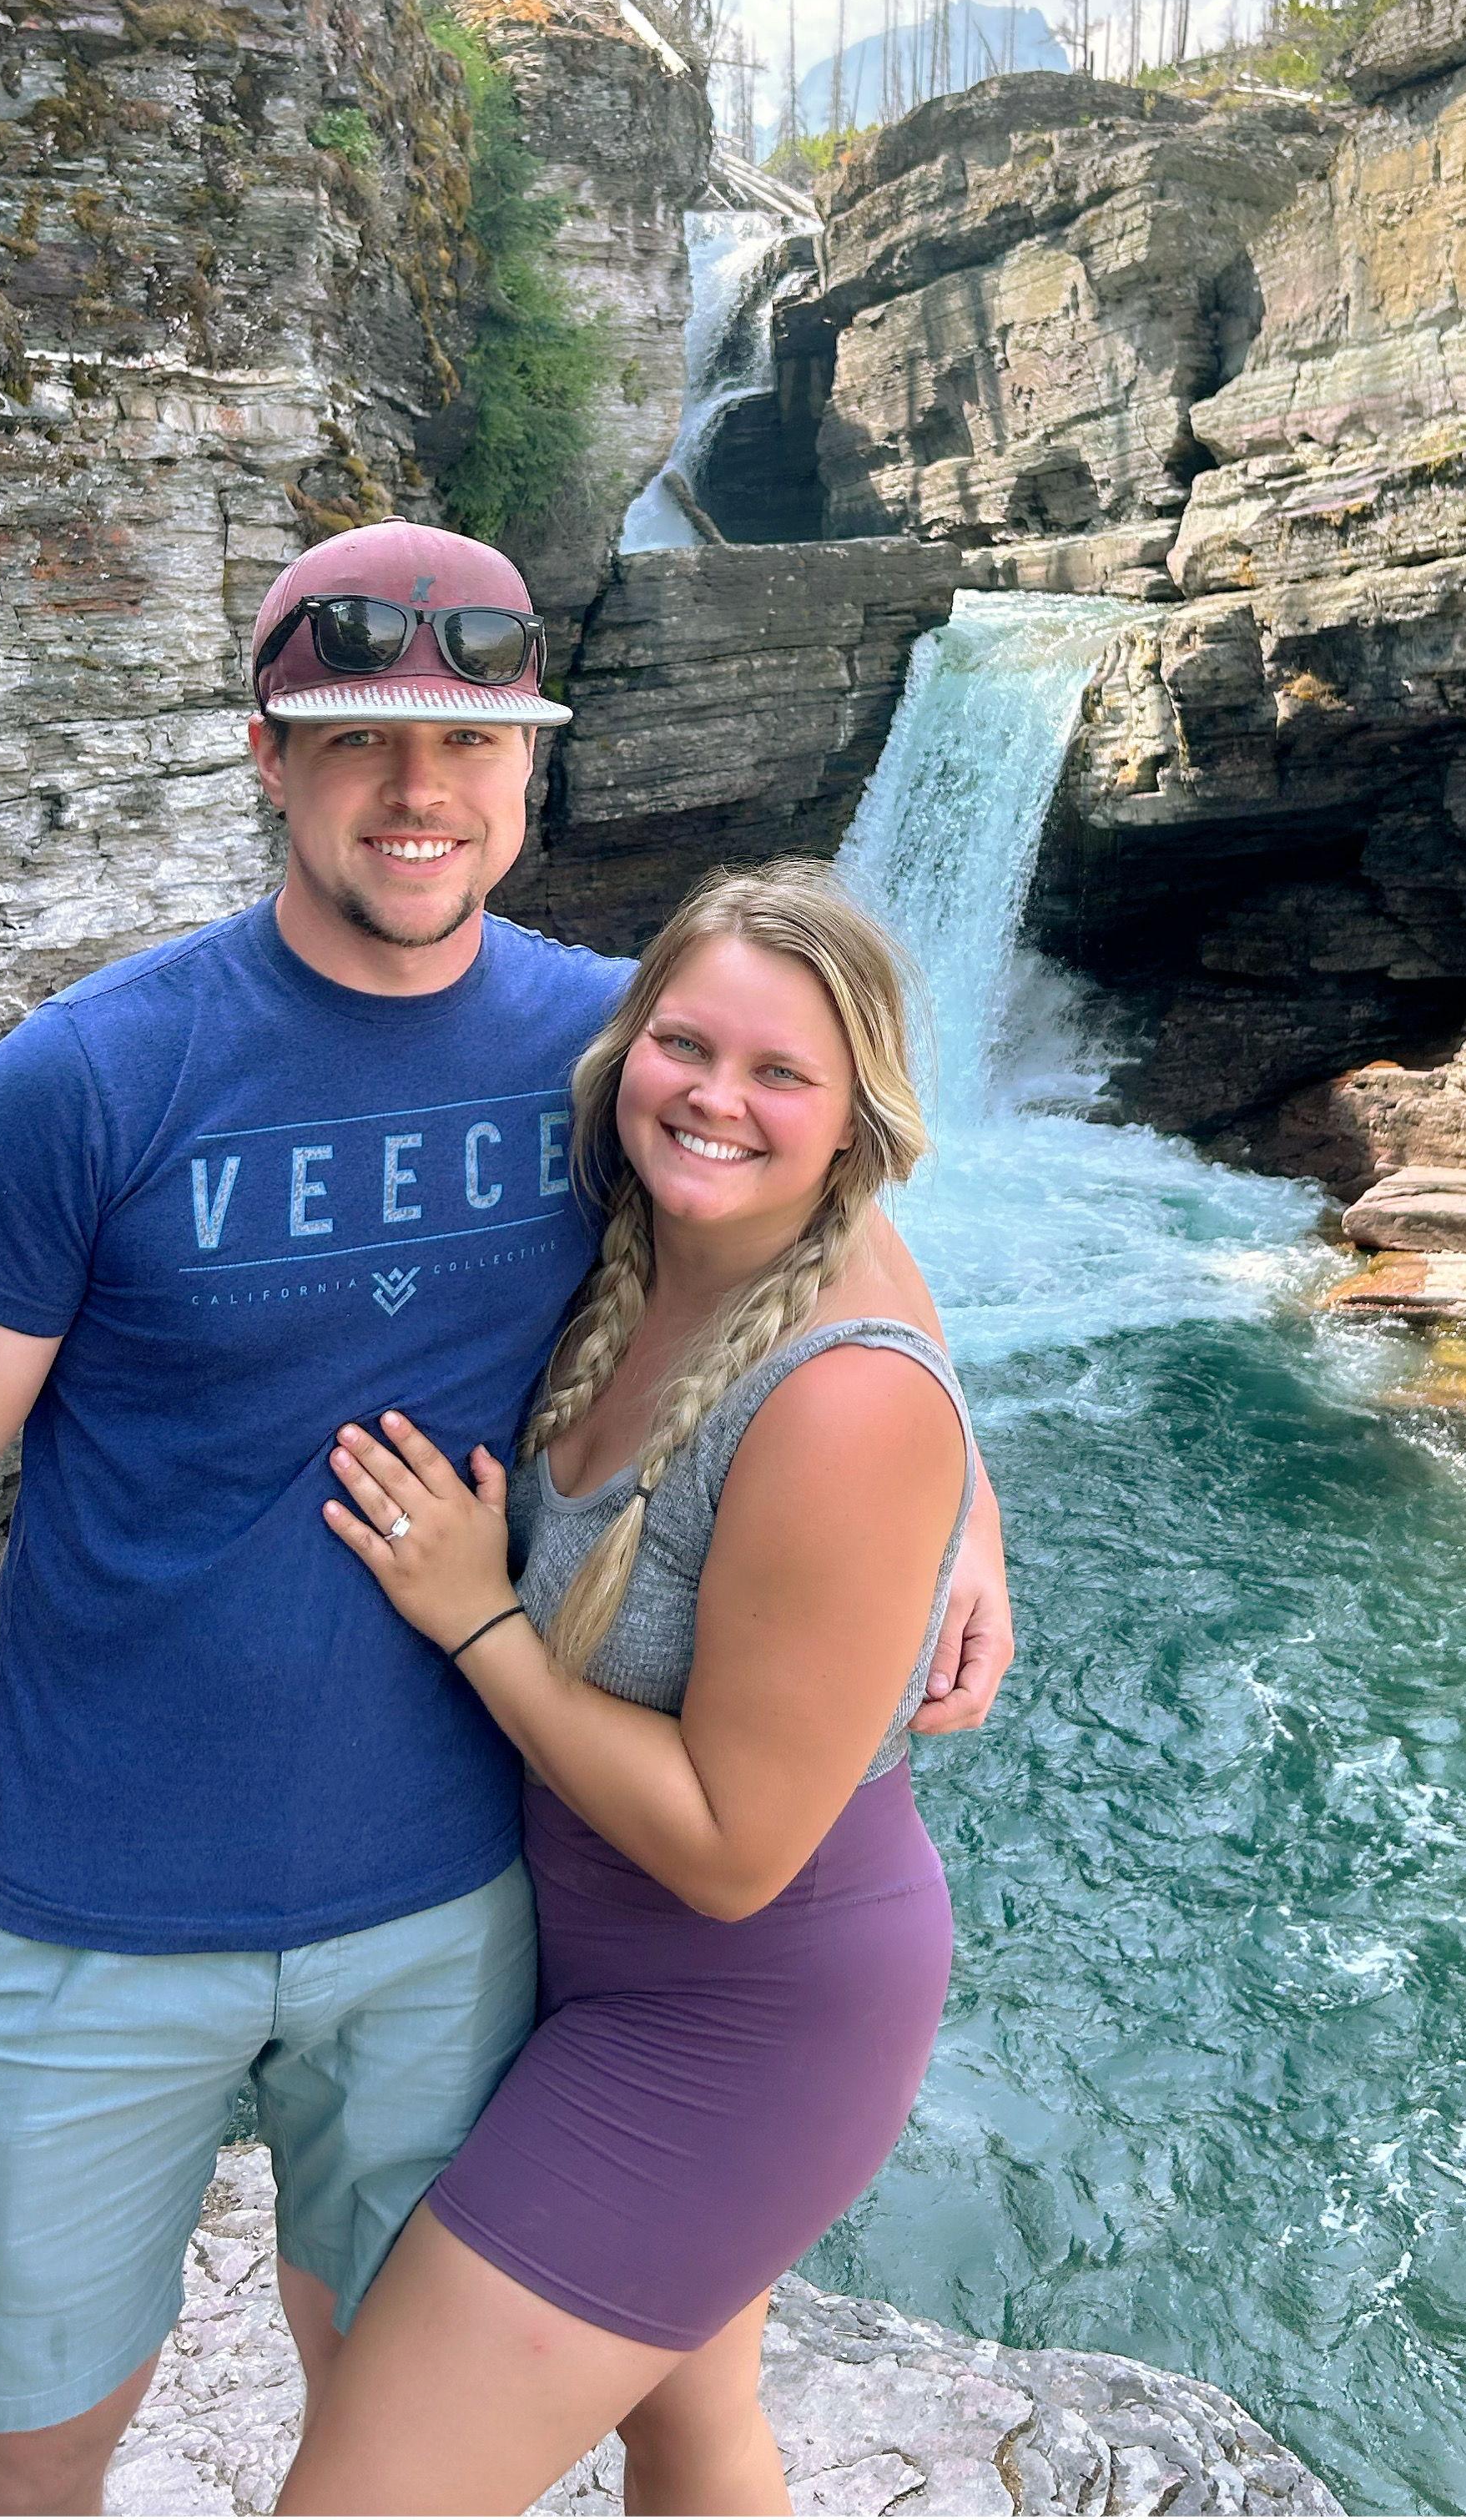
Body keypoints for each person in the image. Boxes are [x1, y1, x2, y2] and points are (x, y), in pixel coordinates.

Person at [0, 526, 1014, 2520]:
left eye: (469, 746)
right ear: (269, 756)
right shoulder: (86, 1082)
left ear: (534, 773)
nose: (418, 795)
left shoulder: (615, 1047)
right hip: (95, 1902)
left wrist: (969, 1524)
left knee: (377, 2400)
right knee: (31, 2439)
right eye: (358, 740)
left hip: (451, 1905)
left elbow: (840, 1224)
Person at [277, 864, 971, 2518]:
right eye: (688, 1046)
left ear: (851, 1126)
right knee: (690, 2427)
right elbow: (886, 1268)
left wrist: (476, 1620)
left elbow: (737, 1851)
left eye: (781, 1076)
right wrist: (982, 1526)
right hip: (573, 1957)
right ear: (625, 1052)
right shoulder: (656, 1243)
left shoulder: (838, 1404)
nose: (718, 1099)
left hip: (736, 2018)